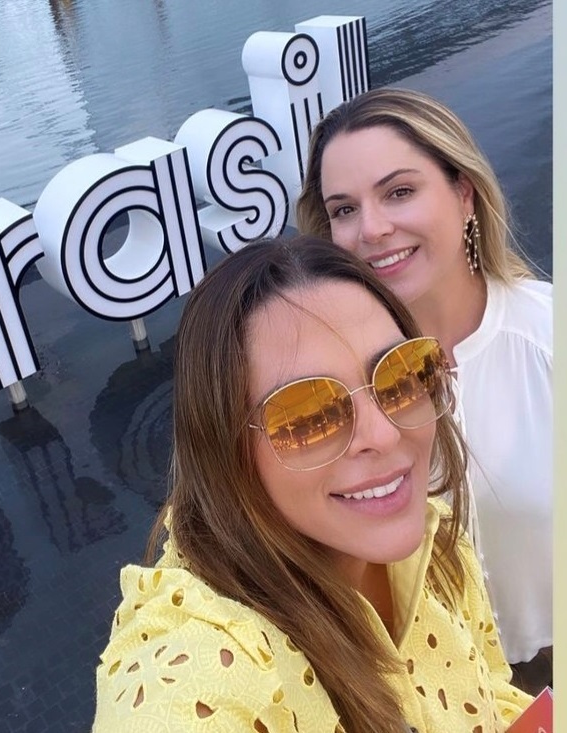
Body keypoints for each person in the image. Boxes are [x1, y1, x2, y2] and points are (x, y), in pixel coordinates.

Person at [92, 236, 533, 733]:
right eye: (307, 416)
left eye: (402, 376)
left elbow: (492, 693)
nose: (384, 434)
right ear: (226, 451)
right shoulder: (200, 676)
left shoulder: (440, 541)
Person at [296, 88, 552, 693]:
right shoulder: (320, 387)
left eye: (399, 192)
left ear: (464, 194)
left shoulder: (551, 337)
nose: (372, 229)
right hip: (423, 684)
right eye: (344, 209)